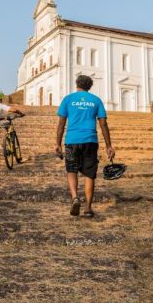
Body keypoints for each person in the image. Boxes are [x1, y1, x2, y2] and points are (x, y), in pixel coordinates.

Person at [54, 75, 115, 219]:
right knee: (89, 174)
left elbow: (61, 124)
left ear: (77, 84)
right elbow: (103, 124)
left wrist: (57, 143)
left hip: (72, 140)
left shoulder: (68, 99)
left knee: (71, 170)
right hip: (90, 141)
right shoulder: (96, 100)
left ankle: (75, 197)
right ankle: (88, 208)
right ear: (90, 86)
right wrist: (109, 145)